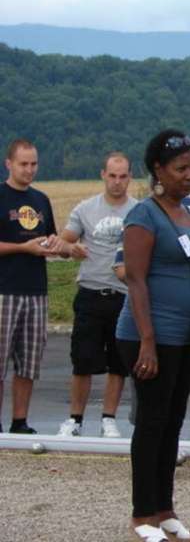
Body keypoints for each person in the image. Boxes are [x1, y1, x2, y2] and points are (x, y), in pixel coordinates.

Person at [115, 129, 190, 542]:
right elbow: (136, 280)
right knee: (152, 425)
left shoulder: (184, 211)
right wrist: (148, 342)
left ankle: (165, 509)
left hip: (186, 336)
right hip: (149, 337)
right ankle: (142, 516)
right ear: (159, 170)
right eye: (181, 169)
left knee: (173, 424)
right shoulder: (145, 214)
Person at [113, 191, 190, 480]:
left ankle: (165, 451)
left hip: (155, 315)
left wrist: (164, 271)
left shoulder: (143, 213)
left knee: (152, 394)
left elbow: (123, 269)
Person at [56, 152, 137, 438]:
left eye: (123, 176)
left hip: (123, 295)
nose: (117, 182)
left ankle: (108, 418)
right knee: (82, 359)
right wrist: (71, 248)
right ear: (103, 174)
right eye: (112, 176)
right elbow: (62, 242)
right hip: (90, 291)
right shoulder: (86, 209)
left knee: (118, 362)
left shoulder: (139, 211)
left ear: (130, 177)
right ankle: (75, 419)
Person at [0, 138, 64, 434]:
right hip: (4, 289)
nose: (29, 169)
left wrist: (53, 246)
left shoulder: (41, 200)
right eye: (23, 164)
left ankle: (20, 421)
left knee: (29, 362)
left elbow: (50, 237)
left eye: (34, 164)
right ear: (9, 164)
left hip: (36, 290)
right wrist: (23, 247)